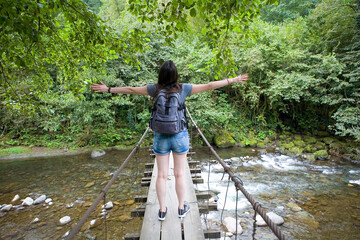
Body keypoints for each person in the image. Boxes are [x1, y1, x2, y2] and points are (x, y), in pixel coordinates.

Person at [91, 60, 249, 221]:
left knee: (161, 175)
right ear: (175, 75)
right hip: (179, 136)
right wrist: (233, 80)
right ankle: (181, 208)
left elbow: (130, 89)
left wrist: (108, 89)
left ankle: (162, 211)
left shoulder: (154, 89)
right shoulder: (184, 88)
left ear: (160, 74)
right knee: (179, 174)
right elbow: (209, 85)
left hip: (160, 137)